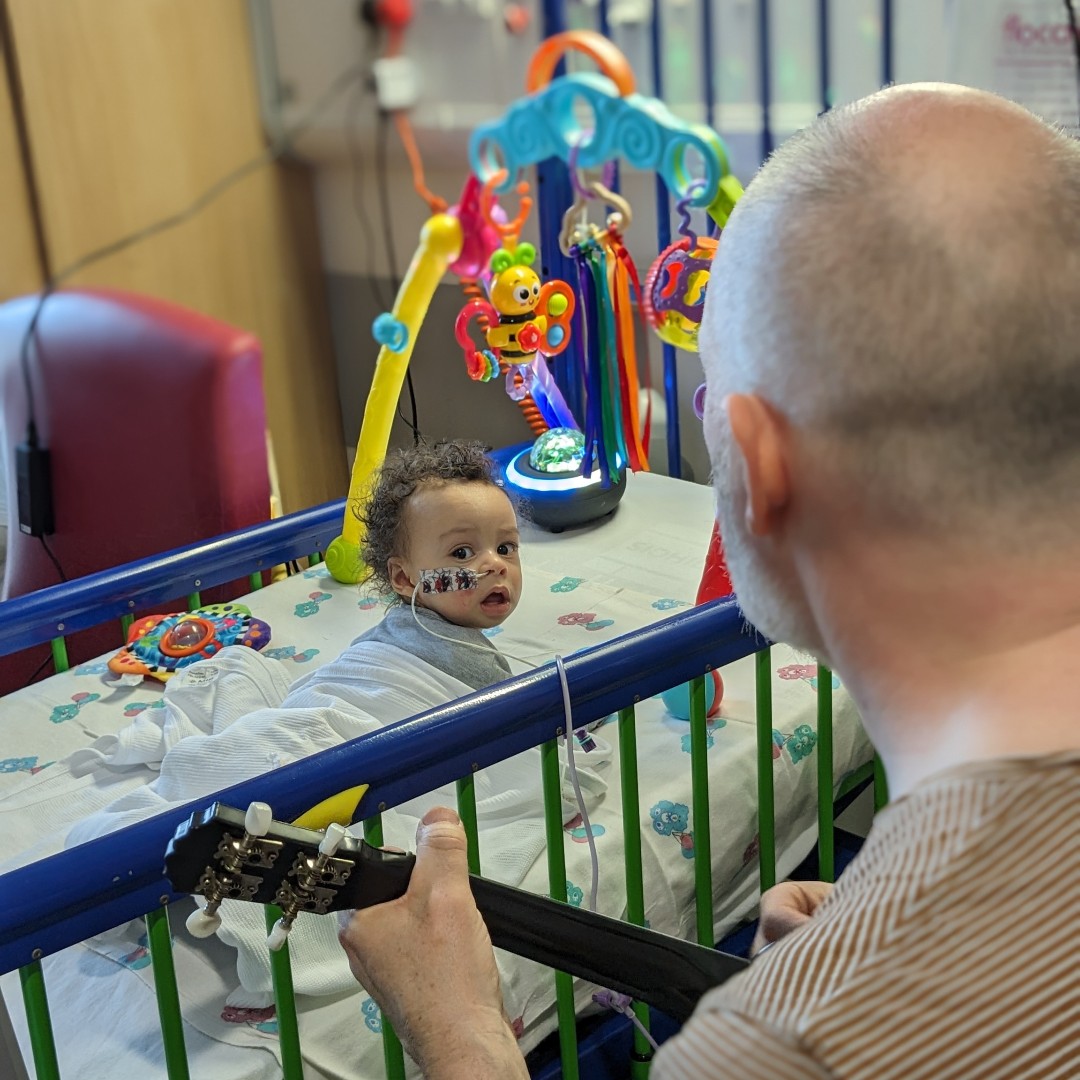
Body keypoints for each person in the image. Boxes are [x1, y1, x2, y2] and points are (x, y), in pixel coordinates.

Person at [338, 82, 1080, 1079]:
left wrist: (457, 1026)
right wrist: (863, 921)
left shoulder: (789, 1047)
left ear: (763, 467)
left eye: (705, 401)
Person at [285, 439, 523, 705]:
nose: (496, 565)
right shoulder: (477, 663)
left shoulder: (392, 629)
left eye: (505, 547)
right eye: (462, 553)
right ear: (404, 578)